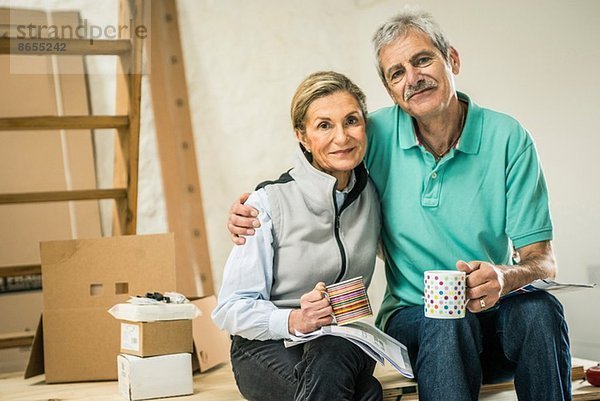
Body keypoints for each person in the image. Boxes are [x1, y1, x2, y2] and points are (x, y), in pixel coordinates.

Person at [226, 8, 572, 401]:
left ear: (452, 60)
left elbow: (542, 260)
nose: (413, 78)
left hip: (490, 315)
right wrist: (256, 203)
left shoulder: (508, 137)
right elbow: (319, 163)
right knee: (446, 319)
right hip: (415, 320)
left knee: (541, 310)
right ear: (389, 90)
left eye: (422, 59)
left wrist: (503, 277)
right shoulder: (372, 134)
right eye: (396, 72)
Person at [212, 71, 383, 401]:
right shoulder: (267, 204)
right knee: (366, 394)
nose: (342, 137)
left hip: (344, 342)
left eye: (351, 121)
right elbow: (230, 309)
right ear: (302, 136)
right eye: (324, 125)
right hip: (265, 346)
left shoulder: (374, 195)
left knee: (335, 351)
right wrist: (294, 319)